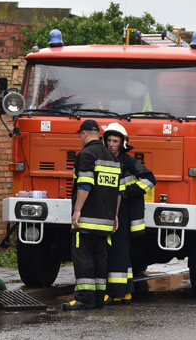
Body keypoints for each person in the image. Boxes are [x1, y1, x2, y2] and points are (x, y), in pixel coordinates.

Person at [63, 119, 121, 311]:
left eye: (80, 135)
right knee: (100, 260)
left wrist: (77, 210)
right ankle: (97, 299)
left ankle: (84, 299)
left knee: (84, 259)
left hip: (87, 220)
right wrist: (115, 216)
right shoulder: (112, 157)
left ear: (85, 134)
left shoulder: (86, 154)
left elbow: (85, 185)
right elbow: (118, 192)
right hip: (105, 221)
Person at [101, 122, 155, 305]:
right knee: (120, 251)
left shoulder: (128, 162)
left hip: (123, 212)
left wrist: (126, 191)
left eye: (115, 141)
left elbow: (150, 180)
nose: (111, 144)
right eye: (108, 140)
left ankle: (117, 292)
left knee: (118, 251)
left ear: (122, 142)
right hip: (110, 209)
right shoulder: (105, 159)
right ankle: (126, 292)